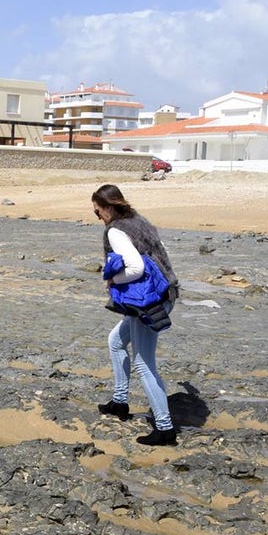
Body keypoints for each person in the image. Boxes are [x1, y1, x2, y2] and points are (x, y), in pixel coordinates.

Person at [91, 184, 179, 446]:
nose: (98, 218)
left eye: (98, 213)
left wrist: (113, 280)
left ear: (108, 207)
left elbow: (137, 268)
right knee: (116, 341)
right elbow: (160, 252)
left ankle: (165, 428)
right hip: (165, 292)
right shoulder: (138, 220)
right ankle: (120, 403)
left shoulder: (116, 230)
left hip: (148, 302)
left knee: (144, 363)